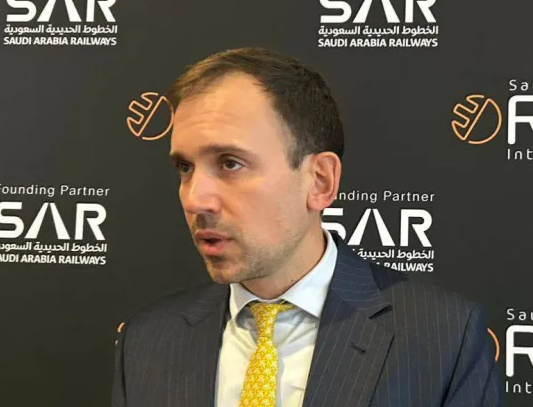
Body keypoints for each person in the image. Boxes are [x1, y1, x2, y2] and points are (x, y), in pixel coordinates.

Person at [111, 47, 501, 407]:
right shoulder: (146, 341)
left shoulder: (443, 338)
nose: (195, 199)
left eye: (230, 163)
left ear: (319, 181)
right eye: (185, 167)